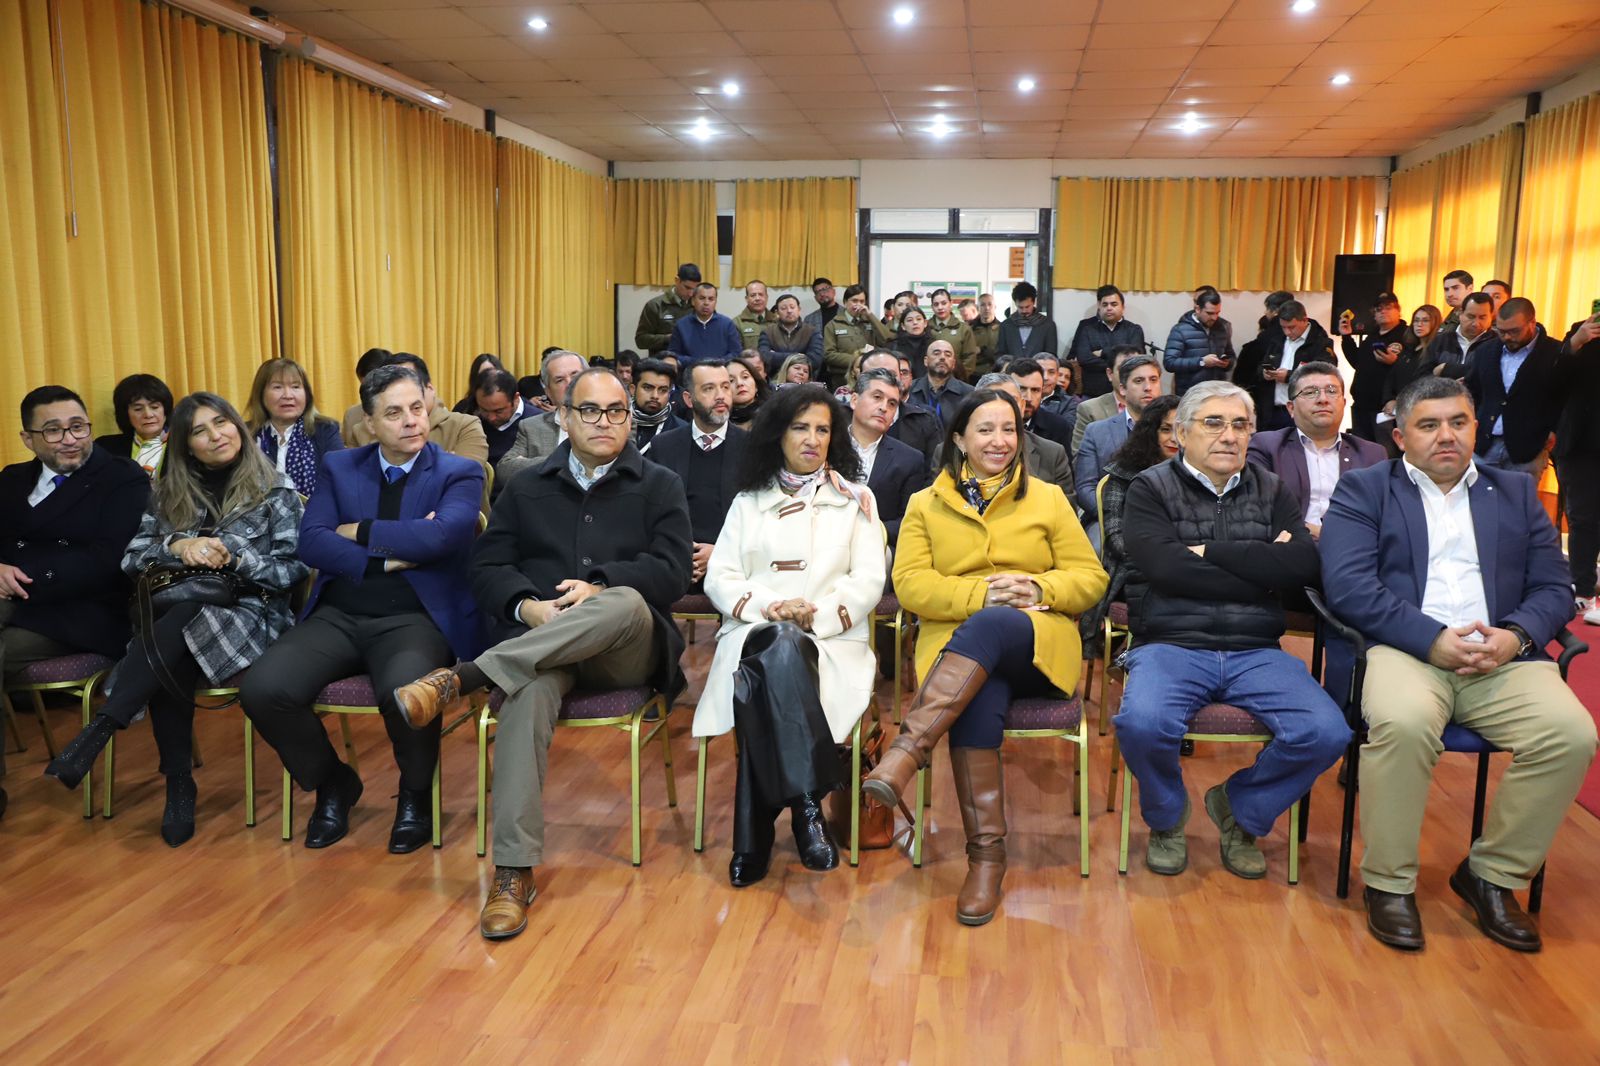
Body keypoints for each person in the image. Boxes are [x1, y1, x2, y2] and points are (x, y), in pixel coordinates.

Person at [390, 368, 691, 940]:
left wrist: (599, 588)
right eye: (590, 411)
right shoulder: (527, 486)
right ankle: (513, 872)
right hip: (542, 647)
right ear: (563, 417)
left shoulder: (659, 483)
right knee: (525, 692)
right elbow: (487, 567)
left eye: (617, 412)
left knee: (625, 599)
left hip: (625, 646)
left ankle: (464, 677)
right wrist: (527, 607)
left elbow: (674, 572)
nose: (605, 422)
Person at [1320, 375, 1597, 953]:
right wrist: (1431, 639)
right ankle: (1389, 883)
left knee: (1570, 734)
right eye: (1428, 425)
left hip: (1503, 656)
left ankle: (1491, 875)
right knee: (1403, 723)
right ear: (1400, 437)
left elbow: (1554, 587)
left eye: (1458, 422)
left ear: (1475, 427)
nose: (1446, 435)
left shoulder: (1515, 491)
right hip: (1406, 650)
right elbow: (1349, 587)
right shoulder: (1365, 490)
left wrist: (1515, 636)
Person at [861, 388, 1106, 924]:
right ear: (959, 439)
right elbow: (911, 586)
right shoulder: (925, 503)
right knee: (978, 691)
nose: (1000, 441)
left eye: (1009, 430)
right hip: (959, 661)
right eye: (986, 430)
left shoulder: (1047, 498)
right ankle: (986, 859)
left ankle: (907, 751)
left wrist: (1039, 588)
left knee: (995, 624)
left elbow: (1091, 578)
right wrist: (981, 595)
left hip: (1038, 644)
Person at [43, 393, 306, 846]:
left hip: (253, 612)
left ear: (237, 426)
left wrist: (235, 558)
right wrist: (177, 546)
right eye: (200, 431)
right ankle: (177, 782)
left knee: (177, 628)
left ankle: (113, 736)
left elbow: (294, 571)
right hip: (178, 614)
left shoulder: (277, 491)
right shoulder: (168, 494)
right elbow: (131, 559)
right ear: (186, 447)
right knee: (179, 631)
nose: (216, 436)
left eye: (221, 423)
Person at [241, 364, 484, 853]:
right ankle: (333, 782)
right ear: (368, 423)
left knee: (405, 695)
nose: (411, 421)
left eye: (417, 408)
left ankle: (415, 795)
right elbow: (312, 542)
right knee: (262, 689)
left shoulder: (459, 471)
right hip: (340, 612)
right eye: (393, 413)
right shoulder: (342, 466)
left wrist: (359, 530)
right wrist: (388, 557)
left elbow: (442, 536)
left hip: (416, 616)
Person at [1114, 381, 1349, 880]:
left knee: (1326, 732)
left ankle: (1239, 808)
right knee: (1142, 724)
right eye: (1214, 423)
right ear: (1181, 433)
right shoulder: (1149, 488)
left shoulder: (1271, 488)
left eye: (1241, 425)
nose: (1229, 435)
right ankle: (1167, 818)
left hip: (1256, 648)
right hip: (1171, 642)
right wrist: (1261, 568)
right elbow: (1165, 569)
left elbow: (1301, 565)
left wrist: (1211, 552)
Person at [693, 384, 886, 885]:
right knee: (776, 645)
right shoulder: (748, 501)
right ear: (777, 435)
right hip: (753, 631)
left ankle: (752, 839)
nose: (812, 439)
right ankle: (805, 806)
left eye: (823, 429)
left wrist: (812, 616)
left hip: (830, 639)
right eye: (800, 428)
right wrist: (772, 608)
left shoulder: (856, 500)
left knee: (768, 676)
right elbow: (720, 577)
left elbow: (869, 580)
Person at [1, 387, 150, 814]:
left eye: (78, 427)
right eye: (53, 430)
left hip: (86, 612)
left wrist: (24, 576)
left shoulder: (121, 477)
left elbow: (108, 560)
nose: (69, 439)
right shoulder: (11, 479)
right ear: (28, 438)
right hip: (16, 598)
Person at [1080, 396, 1181, 655]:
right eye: (1165, 429)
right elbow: (1116, 538)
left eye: (1180, 429)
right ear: (1150, 432)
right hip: (1132, 570)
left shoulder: (1197, 476)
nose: (1174, 438)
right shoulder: (1123, 474)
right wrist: (1158, 562)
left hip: (1182, 568)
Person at [1246, 363, 1386, 539]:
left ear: (1343, 403)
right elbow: (1257, 509)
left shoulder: (1372, 454)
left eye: (1332, 391)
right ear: (1291, 408)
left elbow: (1382, 516)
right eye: (1310, 392)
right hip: (1289, 546)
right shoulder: (1267, 446)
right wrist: (1318, 533)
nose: (1323, 399)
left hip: (1354, 547)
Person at [645, 361, 749, 593]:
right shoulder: (664, 446)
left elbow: (759, 521)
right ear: (689, 399)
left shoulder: (752, 448)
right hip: (673, 563)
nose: (721, 396)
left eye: (725, 387)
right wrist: (680, 551)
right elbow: (650, 512)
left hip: (734, 568)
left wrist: (719, 552)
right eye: (709, 388)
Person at [1466, 297, 1560, 480]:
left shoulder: (1555, 352)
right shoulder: (1485, 351)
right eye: (1501, 331)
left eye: (1514, 331)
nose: (1507, 337)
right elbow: (1472, 391)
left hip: (1528, 448)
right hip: (1484, 444)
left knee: (1519, 498)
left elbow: (1562, 397)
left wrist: (1554, 430)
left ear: (1532, 323)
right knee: (1476, 497)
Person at [342, 353, 488, 470]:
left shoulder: (464, 426)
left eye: (411, 384)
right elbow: (354, 485)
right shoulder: (360, 431)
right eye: (394, 413)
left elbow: (462, 478)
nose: (410, 421)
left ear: (429, 388)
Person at [1076, 355, 1163, 537]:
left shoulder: (1176, 431)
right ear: (1122, 389)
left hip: (1163, 517)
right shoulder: (1097, 431)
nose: (1148, 387)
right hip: (1106, 517)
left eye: (1153, 380)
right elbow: (1085, 487)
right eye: (1139, 381)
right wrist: (1112, 515)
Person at [849, 368, 929, 548]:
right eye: (877, 397)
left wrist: (869, 532)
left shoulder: (910, 460)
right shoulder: (827, 446)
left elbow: (910, 521)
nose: (884, 407)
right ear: (854, 400)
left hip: (877, 548)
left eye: (892, 404)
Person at [1556, 312, 1600, 624]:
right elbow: (1556, 379)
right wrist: (1576, 343)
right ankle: (1582, 589)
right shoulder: (1582, 331)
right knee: (1582, 518)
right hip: (1582, 442)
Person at [246, 358, 343, 498]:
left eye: (295, 387)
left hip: (315, 510)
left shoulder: (325, 430)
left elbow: (340, 480)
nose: (288, 395)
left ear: (307, 394)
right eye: (277, 387)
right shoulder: (245, 434)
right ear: (260, 394)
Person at [1234, 300, 1334, 433]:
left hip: (1301, 411)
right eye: (1283, 327)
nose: (1287, 332)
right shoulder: (1277, 340)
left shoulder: (1320, 342)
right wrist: (1265, 373)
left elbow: (1323, 373)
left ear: (1304, 320)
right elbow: (1260, 366)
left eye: (1291, 327)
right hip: (1272, 411)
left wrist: (1288, 376)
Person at [975, 374, 1075, 497]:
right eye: (991, 401)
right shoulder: (953, 452)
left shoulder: (1052, 455)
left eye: (1010, 401)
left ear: (1022, 406)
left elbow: (1065, 507)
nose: (1002, 409)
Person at [496, 350, 586, 483]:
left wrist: (532, 464)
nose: (569, 384)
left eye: (575, 376)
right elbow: (504, 470)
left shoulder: (611, 420)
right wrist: (558, 461)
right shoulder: (531, 427)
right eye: (560, 380)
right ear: (548, 392)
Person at [1339, 291, 1407, 442]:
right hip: (1361, 405)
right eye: (1378, 309)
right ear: (1374, 314)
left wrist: (1395, 362)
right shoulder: (1372, 335)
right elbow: (1358, 363)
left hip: (1386, 408)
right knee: (1362, 450)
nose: (1383, 311)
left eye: (1388, 307)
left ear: (1398, 311)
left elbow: (1413, 369)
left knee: (1385, 449)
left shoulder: (1406, 335)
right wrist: (1346, 337)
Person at [1067, 285, 1146, 398]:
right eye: (1105, 305)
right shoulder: (1087, 330)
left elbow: (1134, 359)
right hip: (1093, 394)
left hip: (1127, 394)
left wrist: (1103, 352)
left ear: (1123, 307)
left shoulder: (1134, 330)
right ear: (1099, 307)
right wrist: (1119, 363)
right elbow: (1084, 359)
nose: (1109, 308)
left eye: (1114, 304)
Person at [94, 374, 174, 481]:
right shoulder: (105, 448)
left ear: (165, 410)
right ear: (125, 414)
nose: (148, 414)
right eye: (138, 409)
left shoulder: (183, 445)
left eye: (154, 407)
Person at [1380, 304, 1442, 436]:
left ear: (1435, 323)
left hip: (1422, 412)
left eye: (1425, 320)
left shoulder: (1437, 352)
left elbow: (1426, 384)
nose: (1419, 325)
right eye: (1416, 320)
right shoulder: (1408, 349)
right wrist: (1389, 399)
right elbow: (1391, 377)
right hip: (1399, 412)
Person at [1071, 344, 1144, 457]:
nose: (1130, 375)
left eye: (1136, 369)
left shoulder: (1159, 408)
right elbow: (1080, 458)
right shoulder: (1090, 410)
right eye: (1123, 369)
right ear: (1110, 374)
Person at [1163, 288, 1235, 396]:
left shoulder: (1223, 328)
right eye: (1210, 313)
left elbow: (1231, 355)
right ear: (1197, 309)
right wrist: (1201, 362)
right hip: (1190, 394)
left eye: (1217, 313)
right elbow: (1170, 363)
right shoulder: (1180, 329)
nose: (1214, 317)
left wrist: (1227, 363)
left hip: (1217, 392)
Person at [822, 285, 892, 390]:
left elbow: (887, 339)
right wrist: (857, 361)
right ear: (845, 302)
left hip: (870, 377)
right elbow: (829, 355)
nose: (858, 305)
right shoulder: (833, 325)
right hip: (842, 378)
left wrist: (870, 316)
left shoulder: (870, 321)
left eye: (862, 301)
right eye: (854, 301)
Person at [1008, 357, 1073, 453]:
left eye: (1035, 390)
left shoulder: (1058, 427)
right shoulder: (990, 422)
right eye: (1021, 389)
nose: (1028, 398)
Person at [908, 339, 975, 431]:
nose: (942, 357)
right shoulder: (910, 389)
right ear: (926, 361)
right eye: (936, 353)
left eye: (948, 355)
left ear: (953, 364)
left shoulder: (969, 393)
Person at [1428, 291, 1497, 380]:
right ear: (1460, 313)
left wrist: (1446, 368)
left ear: (1491, 316)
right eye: (1471, 317)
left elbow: (1491, 374)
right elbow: (1422, 376)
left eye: (1482, 318)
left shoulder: (1496, 344)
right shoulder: (1440, 341)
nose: (1476, 323)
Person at [670, 283, 744, 366]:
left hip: (720, 371)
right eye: (702, 298)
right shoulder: (681, 325)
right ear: (693, 301)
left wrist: (716, 363)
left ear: (715, 302)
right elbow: (673, 355)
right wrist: (696, 362)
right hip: (691, 371)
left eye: (711, 299)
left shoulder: (727, 324)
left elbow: (736, 352)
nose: (706, 303)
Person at [635, 262, 700, 356]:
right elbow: (640, 340)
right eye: (687, 288)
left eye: (694, 289)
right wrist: (667, 338)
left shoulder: (699, 306)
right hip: (663, 362)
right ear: (677, 280)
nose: (691, 293)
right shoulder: (655, 305)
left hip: (691, 360)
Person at [474, 369, 531, 468]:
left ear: (515, 398)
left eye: (498, 411)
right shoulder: (472, 419)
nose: (491, 418)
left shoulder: (538, 422)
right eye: (484, 410)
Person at [994, 281, 1058, 362]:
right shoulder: (1006, 325)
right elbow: (1000, 354)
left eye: (1027, 307)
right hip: (1012, 368)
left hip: (1039, 369)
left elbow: (1051, 356)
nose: (1024, 311)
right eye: (1020, 307)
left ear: (1034, 302)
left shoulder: (1047, 325)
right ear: (1015, 303)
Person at [759, 293, 824, 373]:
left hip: (803, 378)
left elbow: (815, 360)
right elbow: (764, 357)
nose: (789, 311)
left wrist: (776, 355)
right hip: (775, 378)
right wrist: (801, 356)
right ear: (777, 312)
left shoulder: (812, 332)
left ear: (799, 310)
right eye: (783, 308)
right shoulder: (768, 332)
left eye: (792, 307)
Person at [630, 357, 684, 451]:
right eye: (648, 388)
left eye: (663, 390)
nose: (655, 396)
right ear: (633, 389)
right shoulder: (615, 423)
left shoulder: (681, 431)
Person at [927, 289, 980, 379]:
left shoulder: (963, 329)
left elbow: (970, 358)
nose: (940, 307)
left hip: (956, 380)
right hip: (930, 380)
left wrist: (958, 378)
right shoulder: (925, 327)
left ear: (951, 304)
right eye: (936, 304)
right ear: (932, 307)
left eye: (944, 303)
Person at [892, 305, 934, 380]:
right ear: (903, 326)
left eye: (918, 319)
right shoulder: (894, 346)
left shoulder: (934, 345)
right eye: (909, 320)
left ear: (925, 323)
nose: (915, 322)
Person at [729, 353, 769, 428]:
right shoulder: (719, 423)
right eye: (731, 380)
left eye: (745, 377)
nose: (739, 383)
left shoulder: (774, 414)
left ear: (756, 385)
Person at [969, 295, 1001, 377]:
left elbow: (1003, 353)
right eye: (983, 305)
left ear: (995, 307)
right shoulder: (969, 329)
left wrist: (982, 350)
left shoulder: (1003, 328)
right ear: (978, 308)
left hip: (996, 373)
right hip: (975, 374)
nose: (987, 308)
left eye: (990, 304)